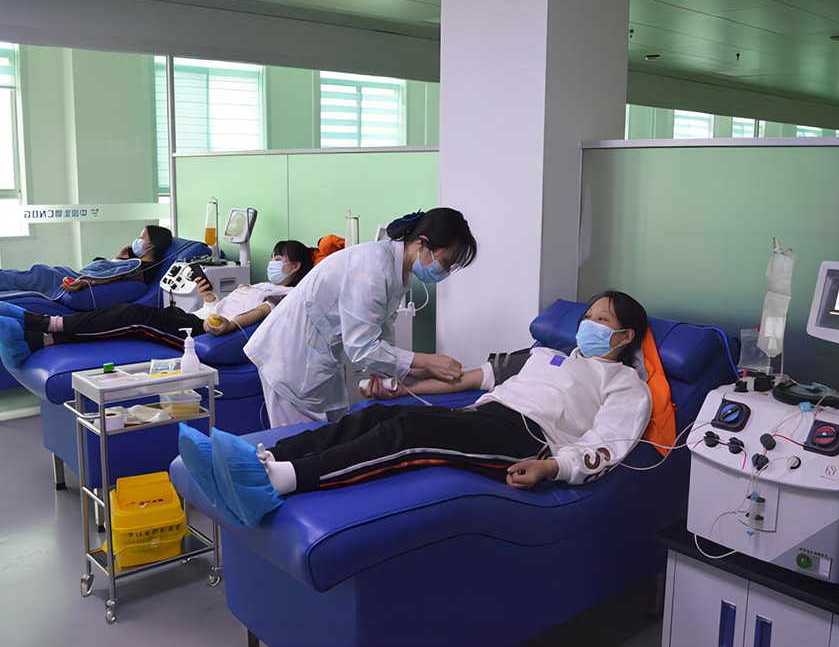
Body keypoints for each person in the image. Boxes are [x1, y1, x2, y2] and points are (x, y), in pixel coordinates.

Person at [179, 291, 653, 527]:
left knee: (407, 437)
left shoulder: (626, 384)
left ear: (625, 335)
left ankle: (279, 481)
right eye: (588, 316)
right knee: (376, 416)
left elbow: (605, 446)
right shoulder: (542, 354)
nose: (589, 324)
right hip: (483, 415)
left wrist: (553, 467)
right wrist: (399, 389)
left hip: (528, 441)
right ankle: (261, 457)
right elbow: (469, 379)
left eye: (602, 319)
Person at [244, 208, 478, 427]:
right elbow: (361, 347)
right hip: (291, 359)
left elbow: (381, 329)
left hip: (314, 357)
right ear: (422, 243)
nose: (444, 272)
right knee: (299, 444)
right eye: (444, 262)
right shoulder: (372, 267)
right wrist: (425, 361)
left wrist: (387, 371)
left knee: (328, 435)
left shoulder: (396, 271)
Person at [0, 241, 314, 370]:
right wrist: (209, 298)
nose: (272, 263)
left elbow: (259, 313)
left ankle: (43, 323)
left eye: (278, 259)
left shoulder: (287, 295)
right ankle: (41, 339)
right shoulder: (259, 285)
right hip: (196, 317)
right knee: (124, 322)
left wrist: (227, 325)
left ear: (296, 266)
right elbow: (227, 307)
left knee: (134, 316)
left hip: (200, 333)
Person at [0, 225, 173, 296]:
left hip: (74, 278)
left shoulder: (140, 267)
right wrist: (117, 259)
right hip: (73, 274)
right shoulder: (134, 262)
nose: (136, 241)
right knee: (34, 273)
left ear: (151, 245)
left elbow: (112, 277)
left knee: (38, 273)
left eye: (141, 238)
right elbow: (114, 273)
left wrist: (84, 282)